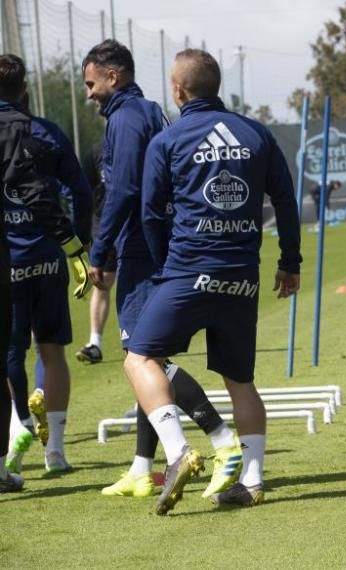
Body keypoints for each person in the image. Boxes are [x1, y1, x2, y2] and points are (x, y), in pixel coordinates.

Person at [124, 48, 301, 513]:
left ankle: (179, 449)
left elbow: (149, 213)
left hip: (186, 272)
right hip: (242, 276)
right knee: (240, 380)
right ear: (216, 86)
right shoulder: (256, 133)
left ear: (178, 90)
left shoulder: (168, 140)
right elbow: (285, 199)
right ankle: (254, 479)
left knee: (140, 357)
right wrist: (290, 261)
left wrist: (166, 266)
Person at [80, 40, 242, 500]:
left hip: (142, 250)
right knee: (143, 358)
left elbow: (126, 190)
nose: (89, 94)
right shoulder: (141, 113)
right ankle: (140, 466)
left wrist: (101, 248)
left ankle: (219, 440)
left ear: (114, 76)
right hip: (150, 248)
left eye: (92, 84)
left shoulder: (129, 118)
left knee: (145, 357)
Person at [0, 53, 88, 493]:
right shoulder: (48, 132)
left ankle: (17, 427)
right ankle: (55, 450)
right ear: (25, 89)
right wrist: (81, 242)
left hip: (9, 262)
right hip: (51, 256)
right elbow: (80, 189)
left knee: (10, 353)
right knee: (52, 350)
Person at [76, 141, 113, 364]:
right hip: (104, 228)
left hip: (135, 229)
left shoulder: (140, 145)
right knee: (101, 282)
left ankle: (154, 346)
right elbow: (84, 192)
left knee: (142, 284)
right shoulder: (95, 152)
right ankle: (95, 344)